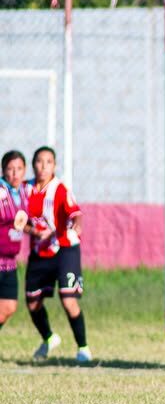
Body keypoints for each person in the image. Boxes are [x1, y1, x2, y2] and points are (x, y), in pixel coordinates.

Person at [25, 146, 90, 362]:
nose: (43, 166)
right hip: (39, 252)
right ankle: (49, 338)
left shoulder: (60, 189)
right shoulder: (25, 189)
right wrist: (30, 229)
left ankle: (83, 348)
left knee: (68, 298)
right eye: (39, 161)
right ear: (33, 165)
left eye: (49, 162)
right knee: (33, 302)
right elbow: (18, 217)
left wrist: (77, 224)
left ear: (54, 166)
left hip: (65, 248)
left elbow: (75, 213)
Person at [0, 151, 31, 334]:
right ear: (3, 170)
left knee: (9, 306)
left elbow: (20, 222)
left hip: (10, 261)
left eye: (19, 168)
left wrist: (35, 231)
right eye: (10, 169)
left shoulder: (24, 192)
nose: (15, 173)